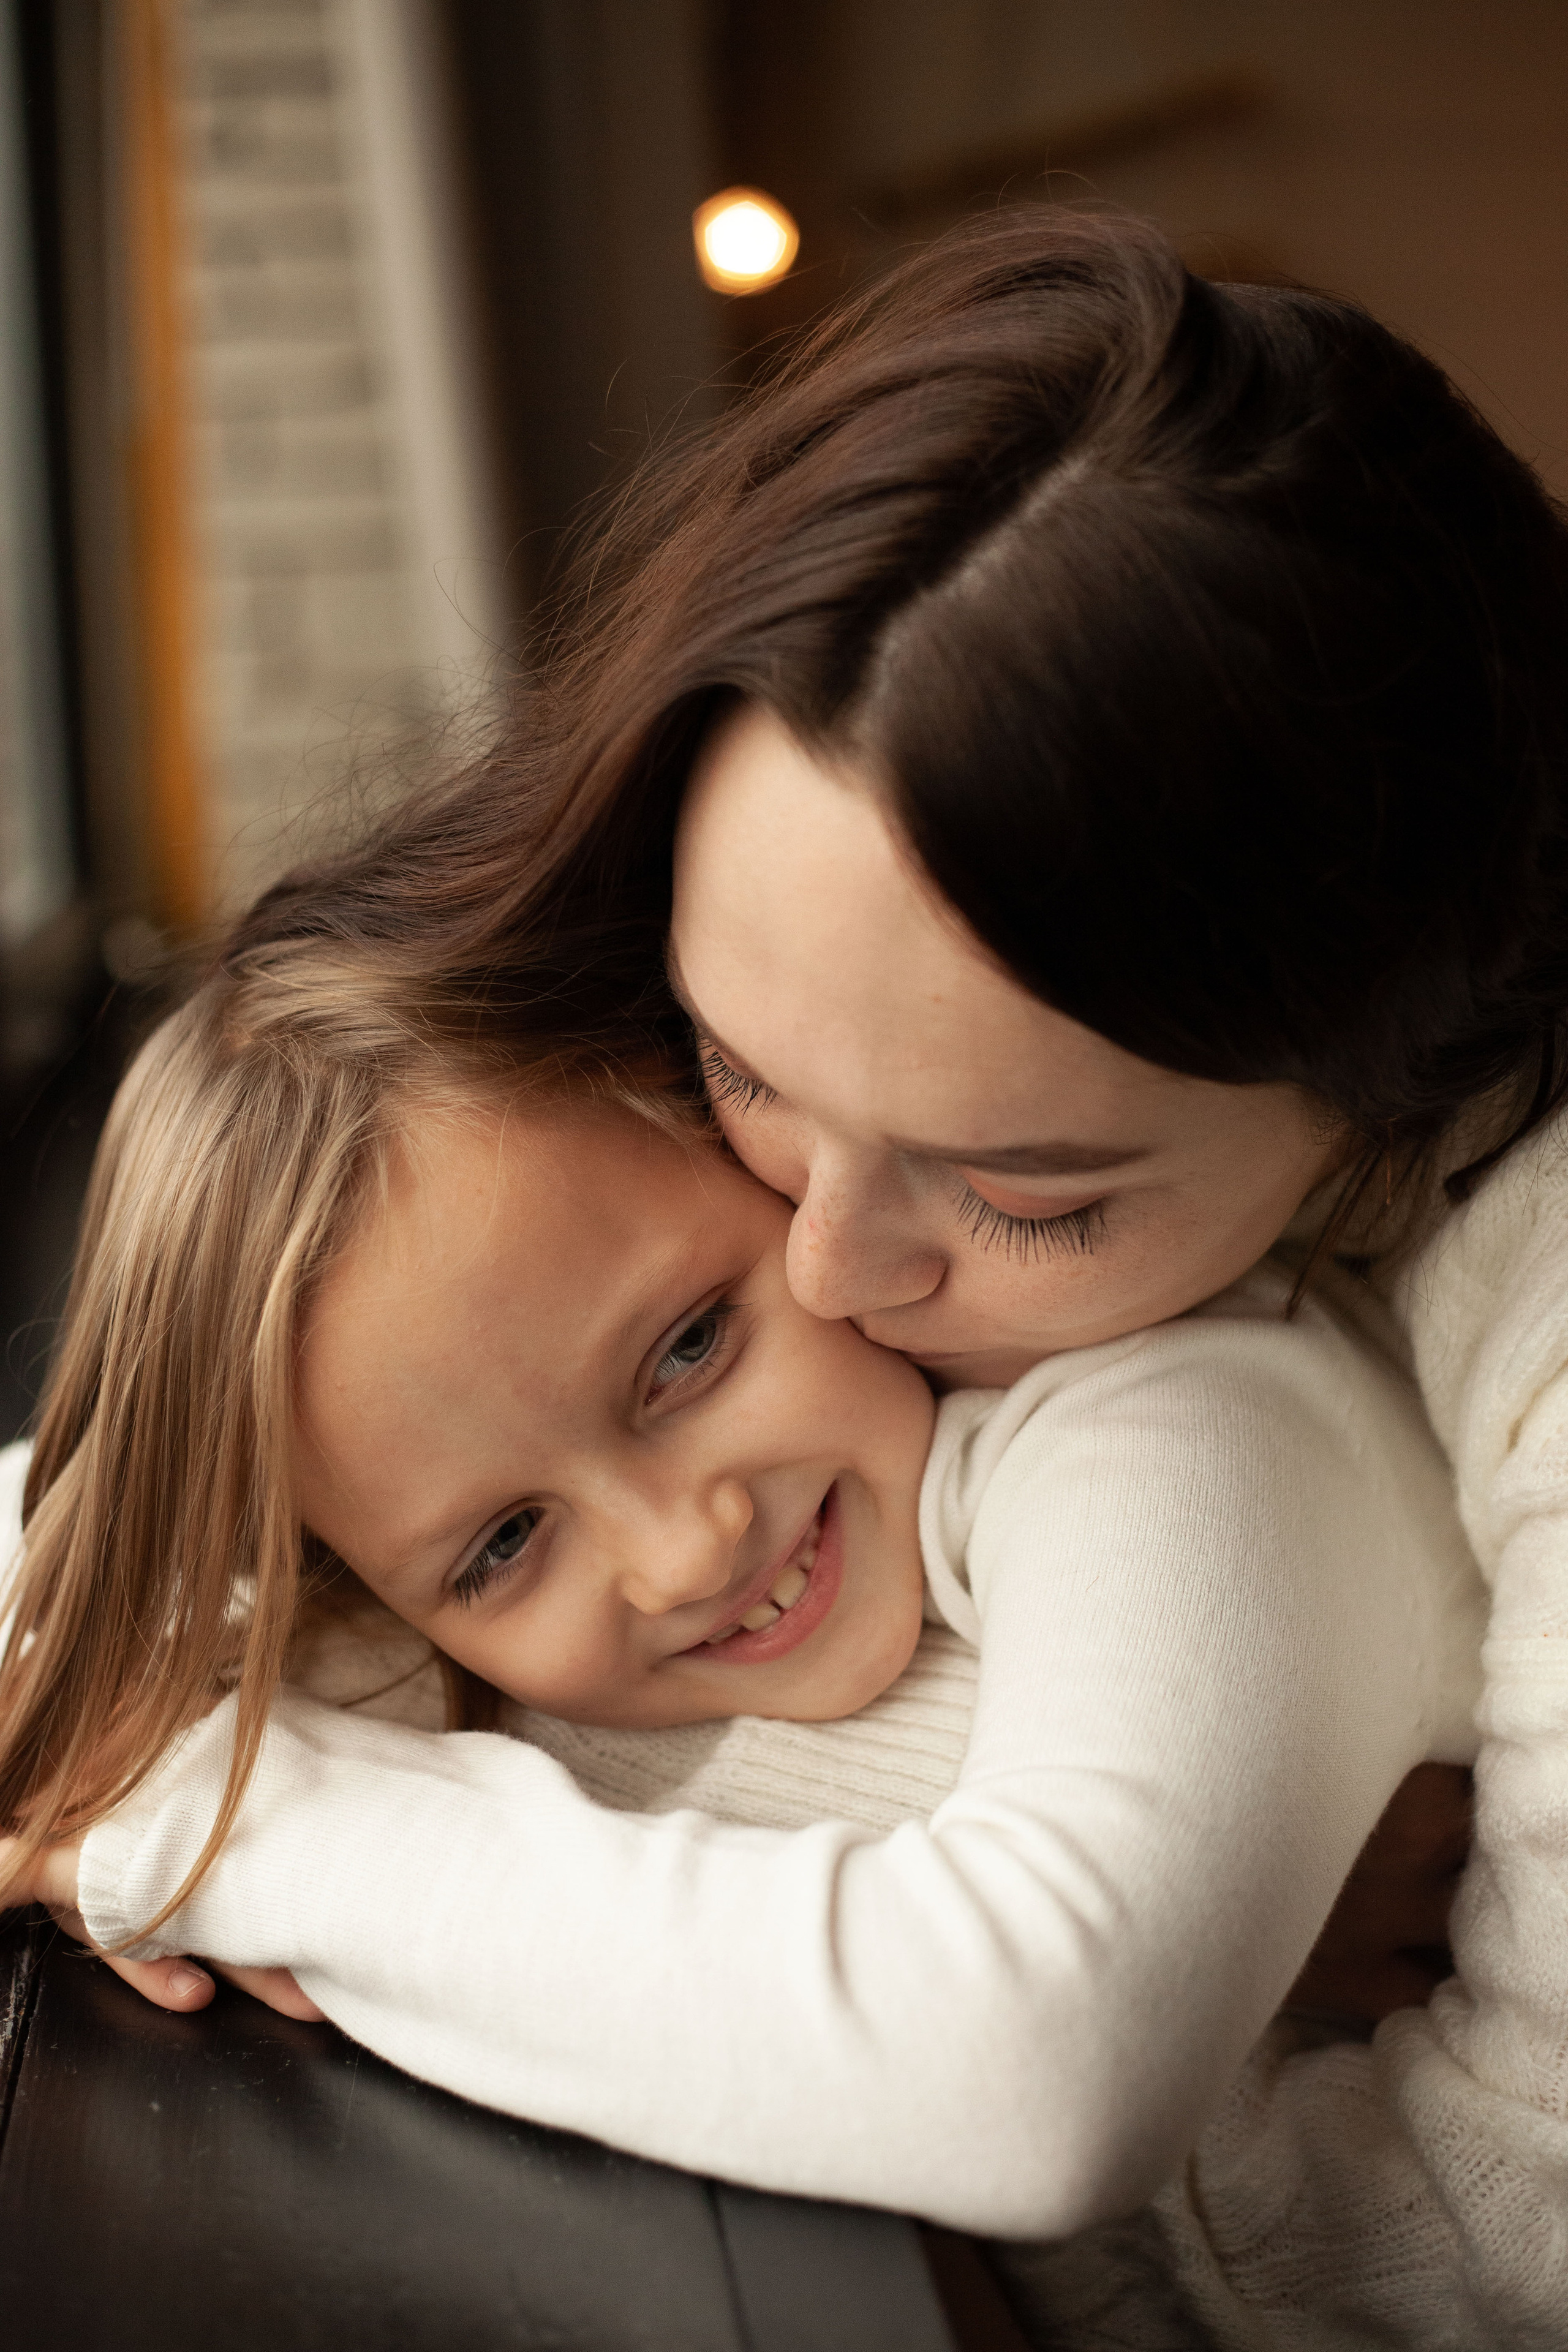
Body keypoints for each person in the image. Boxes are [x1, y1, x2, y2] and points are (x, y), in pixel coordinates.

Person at [11, 202, 1568, 2337]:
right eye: (746, 1072)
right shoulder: (604, 1260)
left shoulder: (1211, 1397)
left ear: (1369, 1126)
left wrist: (215, 1823)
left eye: (1024, 1187)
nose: (829, 1264)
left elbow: (1071, 2067)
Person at [0, 845, 1480, 2259]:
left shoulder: (1184, 1409)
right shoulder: (417, 1591)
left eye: (691, 1348)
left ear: (764, 1151)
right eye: (506, 1544)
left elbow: (1031, 2065)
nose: (681, 1550)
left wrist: (214, 1830)